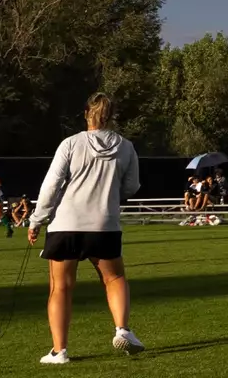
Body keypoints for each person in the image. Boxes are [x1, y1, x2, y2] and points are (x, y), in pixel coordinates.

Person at [29, 92, 145, 364]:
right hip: (105, 224)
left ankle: (59, 351)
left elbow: (51, 186)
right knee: (114, 279)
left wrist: (36, 220)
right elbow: (131, 186)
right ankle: (123, 329)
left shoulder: (71, 143)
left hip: (65, 225)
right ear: (112, 115)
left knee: (61, 288)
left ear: (86, 114)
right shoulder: (126, 147)